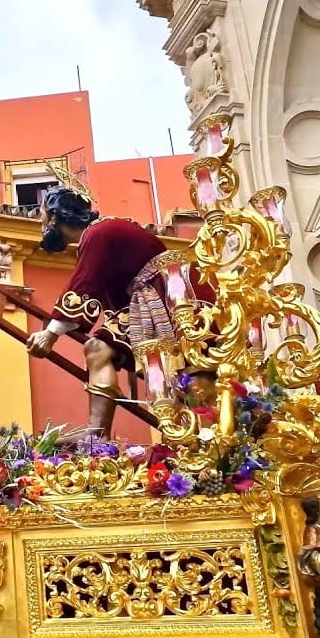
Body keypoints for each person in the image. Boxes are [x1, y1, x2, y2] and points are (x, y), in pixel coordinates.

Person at [25, 165, 209, 439]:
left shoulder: (99, 233)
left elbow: (84, 285)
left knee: (101, 348)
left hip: (164, 300)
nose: (41, 225)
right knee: (103, 349)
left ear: (54, 216)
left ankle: (97, 433)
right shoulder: (103, 232)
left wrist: (50, 334)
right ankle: (100, 432)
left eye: (41, 217)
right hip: (155, 301)